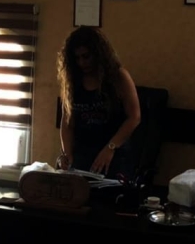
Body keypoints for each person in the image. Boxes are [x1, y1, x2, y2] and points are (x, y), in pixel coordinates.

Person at [56, 26, 141, 179]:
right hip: (83, 153)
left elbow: (134, 117)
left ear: (98, 54)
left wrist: (110, 148)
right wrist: (66, 154)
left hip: (114, 152)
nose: (82, 62)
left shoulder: (119, 77)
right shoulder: (73, 81)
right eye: (77, 58)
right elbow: (67, 123)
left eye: (86, 56)